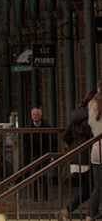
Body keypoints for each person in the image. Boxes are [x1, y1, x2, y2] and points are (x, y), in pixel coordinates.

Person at [58, 89, 96, 221]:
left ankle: (68, 211)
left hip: (75, 157)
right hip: (87, 157)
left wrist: (74, 147)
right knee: (95, 188)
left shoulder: (76, 116)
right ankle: (89, 214)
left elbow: (66, 135)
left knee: (88, 189)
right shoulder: (91, 116)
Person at [22, 107, 57, 200]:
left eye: (37, 114)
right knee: (33, 175)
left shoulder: (46, 126)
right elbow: (25, 142)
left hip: (45, 153)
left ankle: (45, 195)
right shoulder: (28, 127)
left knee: (45, 175)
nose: (35, 116)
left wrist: (51, 152)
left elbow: (51, 140)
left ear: (40, 116)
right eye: (33, 115)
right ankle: (35, 196)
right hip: (33, 154)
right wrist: (28, 153)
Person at [86, 80, 102, 221]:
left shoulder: (92, 105)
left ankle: (89, 215)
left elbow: (91, 124)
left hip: (97, 150)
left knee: (98, 186)